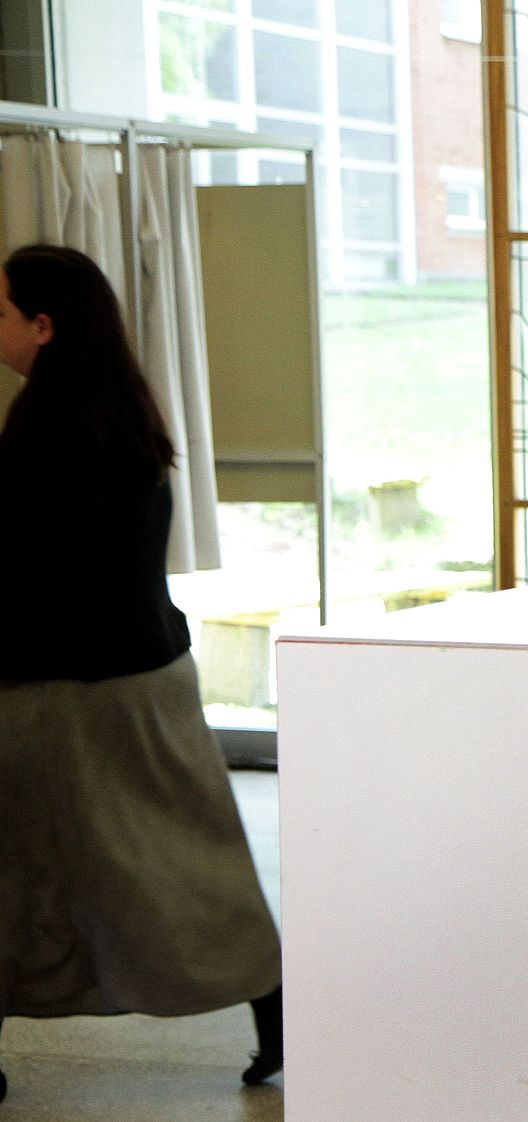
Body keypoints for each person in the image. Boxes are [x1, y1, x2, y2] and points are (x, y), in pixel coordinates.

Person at [0, 245, 284, 1102]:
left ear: (43, 327)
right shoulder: (123, 411)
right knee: (188, 861)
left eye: (4, 312)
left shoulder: (47, 427)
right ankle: (278, 1012)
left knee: (23, 873)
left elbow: (46, 575)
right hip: (151, 674)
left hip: (68, 691)